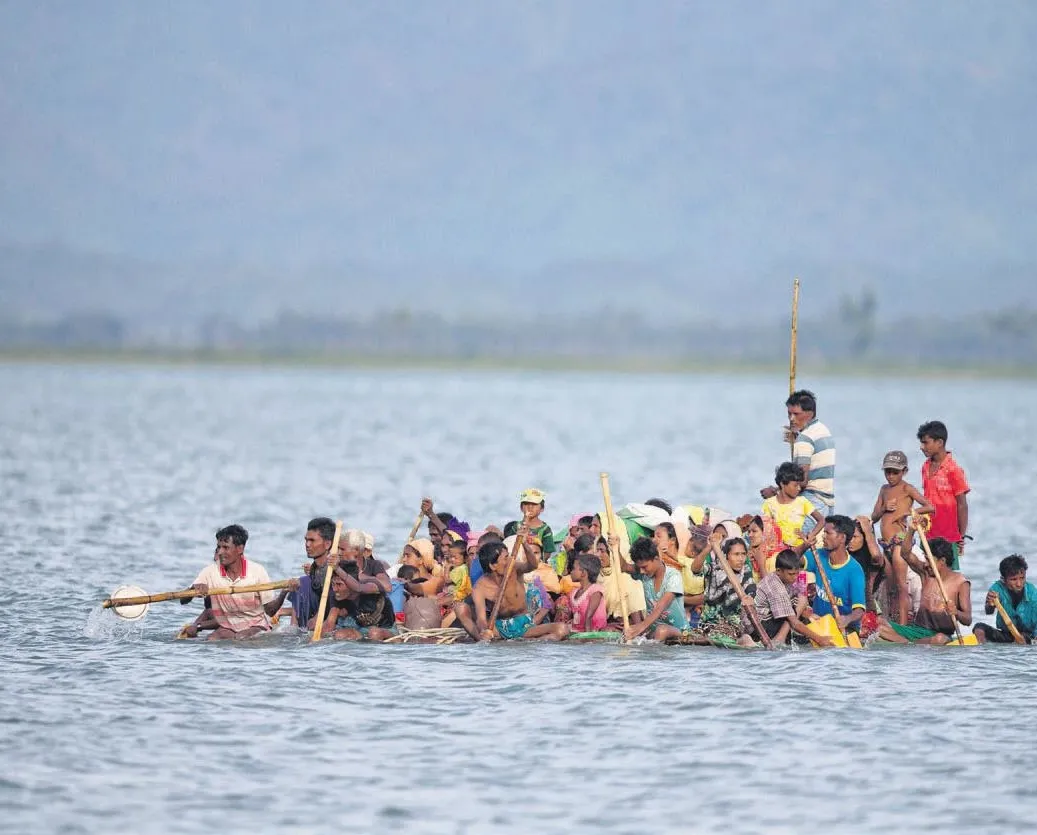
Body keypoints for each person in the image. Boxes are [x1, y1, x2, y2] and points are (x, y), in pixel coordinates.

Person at [188, 525, 298, 640]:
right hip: (227, 626)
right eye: (218, 547)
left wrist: (283, 592)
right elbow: (183, 600)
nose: (220, 552)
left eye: (225, 548)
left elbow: (270, 611)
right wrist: (193, 589)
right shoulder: (210, 571)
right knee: (211, 639)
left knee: (241, 637)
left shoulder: (257, 571)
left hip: (256, 625)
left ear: (240, 549)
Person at [469, 538, 569, 641]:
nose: (510, 560)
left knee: (562, 629)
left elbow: (532, 565)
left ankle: (528, 641)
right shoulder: (479, 588)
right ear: (493, 566)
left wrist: (524, 542)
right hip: (500, 628)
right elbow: (481, 618)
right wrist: (484, 631)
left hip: (525, 625)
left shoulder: (514, 568)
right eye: (506, 558)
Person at [877, 538, 971, 644]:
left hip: (939, 635)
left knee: (939, 639)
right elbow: (905, 554)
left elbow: (968, 619)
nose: (926, 564)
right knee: (878, 623)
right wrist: (912, 529)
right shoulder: (926, 573)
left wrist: (956, 612)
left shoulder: (961, 583)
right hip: (915, 630)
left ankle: (906, 643)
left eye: (928, 560)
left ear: (942, 561)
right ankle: (907, 641)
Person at [761, 389, 835, 519]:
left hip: (812, 500)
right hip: (827, 502)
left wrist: (776, 491)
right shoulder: (822, 430)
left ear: (810, 413)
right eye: (789, 414)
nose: (791, 419)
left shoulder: (805, 438)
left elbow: (802, 481)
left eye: (796, 414)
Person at [917, 421, 970, 569]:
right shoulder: (925, 466)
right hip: (927, 533)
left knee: (948, 576)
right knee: (926, 575)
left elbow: (962, 505)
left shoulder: (953, 469)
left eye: (925, 443)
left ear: (939, 442)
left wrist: (961, 535)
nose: (922, 447)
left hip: (948, 536)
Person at [754, 549, 833, 646]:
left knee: (800, 606)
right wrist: (819, 639)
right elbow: (794, 622)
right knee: (796, 616)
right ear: (778, 571)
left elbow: (793, 603)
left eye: (797, 573)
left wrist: (808, 615)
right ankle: (779, 639)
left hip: (771, 620)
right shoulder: (776, 587)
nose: (795, 577)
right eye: (791, 574)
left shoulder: (784, 579)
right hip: (759, 626)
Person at [803, 515, 866, 634]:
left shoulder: (854, 570)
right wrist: (805, 545)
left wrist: (846, 619)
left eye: (828, 533)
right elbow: (794, 561)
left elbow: (859, 610)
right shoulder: (818, 555)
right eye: (824, 533)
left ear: (842, 538)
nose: (823, 536)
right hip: (818, 622)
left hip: (844, 628)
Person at [620, 536, 687, 642]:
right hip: (653, 628)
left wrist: (642, 626)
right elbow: (624, 567)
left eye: (644, 567)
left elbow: (661, 606)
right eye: (640, 567)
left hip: (680, 631)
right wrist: (615, 546)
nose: (641, 572)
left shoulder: (673, 576)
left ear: (656, 558)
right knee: (628, 632)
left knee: (661, 630)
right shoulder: (645, 573)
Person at [322, 560, 398, 641]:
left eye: (339, 584)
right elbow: (329, 623)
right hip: (358, 629)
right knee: (340, 635)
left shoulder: (371, 586)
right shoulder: (337, 596)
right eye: (333, 584)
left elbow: (358, 588)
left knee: (374, 634)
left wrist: (337, 569)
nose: (335, 589)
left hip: (385, 629)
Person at [762, 462, 825, 554]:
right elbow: (766, 527)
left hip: (799, 549)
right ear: (783, 484)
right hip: (778, 550)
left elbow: (821, 520)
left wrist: (811, 535)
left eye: (799, 485)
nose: (799, 488)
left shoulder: (802, 502)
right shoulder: (769, 504)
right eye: (795, 485)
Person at [974, 555, 1037, 644]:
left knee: (1022, 638)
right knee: (979, 628)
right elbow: (989, 612)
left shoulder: (1032, 592)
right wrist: (990, 603)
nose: (1019, 584)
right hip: (1006, 634)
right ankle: (982, 652)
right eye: (1013, 579)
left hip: (1028, 635)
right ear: (1003, 579)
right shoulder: (997, 588)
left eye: (1022, 578)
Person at [287, 517, 336, 626]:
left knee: (303, 582)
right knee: (301, 583)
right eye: (306, 540)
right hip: (312, 622)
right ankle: (294, 629)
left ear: (327, 544)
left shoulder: (335, 570)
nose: (307, 545)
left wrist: (318, 617)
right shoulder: (314, 570)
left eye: (312, 540)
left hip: (332, 620)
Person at [503, 488, 555, 557]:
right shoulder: (515, 527)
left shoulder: (545, 530)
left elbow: (547, 553)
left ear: (542, 508)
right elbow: (509, 546)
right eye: (526, 504)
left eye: (534, 504)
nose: (530, 507)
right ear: (521, 508)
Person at [569, 555, 607, 633]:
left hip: (593, 632)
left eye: (573, 569)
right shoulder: (574, 593)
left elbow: (589, 617)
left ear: (583, 573)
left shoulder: (595, 590)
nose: (571, 572)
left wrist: (587, 639)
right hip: (578, 631)